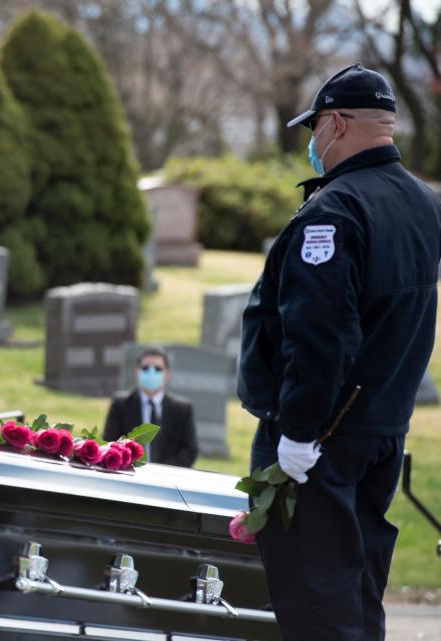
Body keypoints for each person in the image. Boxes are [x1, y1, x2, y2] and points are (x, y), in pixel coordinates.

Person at [238, 63, 441, 641]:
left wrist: (298, 435)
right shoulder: (422, 203)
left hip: (324, 438)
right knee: (357, 595)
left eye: (314, 130)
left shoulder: (334, 211)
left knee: (317, 603)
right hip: (381, 429)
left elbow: (322, 335)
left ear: (334, 123)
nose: (313, 144)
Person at [102, 346, 198, 467]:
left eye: (158, 369)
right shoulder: (121, 405)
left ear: (167, 375)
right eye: (145, 368)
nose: (151, 373)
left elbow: (190, 450)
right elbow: (110, 443)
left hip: (168, 477)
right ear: (137, 373)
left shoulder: (182, 409)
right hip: (130, 474)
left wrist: (163, 473)